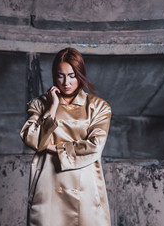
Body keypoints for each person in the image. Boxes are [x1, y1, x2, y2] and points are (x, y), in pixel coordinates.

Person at [20, 48, 111, 226]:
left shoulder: (98, 107)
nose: (66, 82)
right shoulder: (40, 104)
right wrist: (52, 107)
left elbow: (94, 146)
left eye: (72, 75)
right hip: (48, 181)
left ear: (81, 74)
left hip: (84, 184)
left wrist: (55, 148)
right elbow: (31, 138)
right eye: (60, 76)